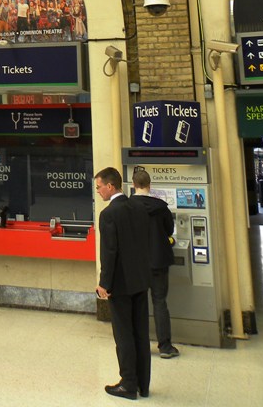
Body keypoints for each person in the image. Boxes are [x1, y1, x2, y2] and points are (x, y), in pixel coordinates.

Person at [95, 166, 151, 400]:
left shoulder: (109, 214)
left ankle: (128, 384)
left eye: (99, 187)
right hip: (140, 280)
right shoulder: (139, 208)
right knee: (141, 333)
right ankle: (143, 384)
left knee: (124, 334)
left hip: (120, 283)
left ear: (110, 186)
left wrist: (104, 283)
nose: (98, 191)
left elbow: (109, 252)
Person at [131, 168, 179, 359]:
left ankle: (140, 346)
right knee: (160, 302)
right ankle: (165, 346)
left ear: (134, 185)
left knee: (138, 304)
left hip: (136, 263)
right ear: (149, 185)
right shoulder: (161, 207)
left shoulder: (128, 207)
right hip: (159, 261)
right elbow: (169, 230)